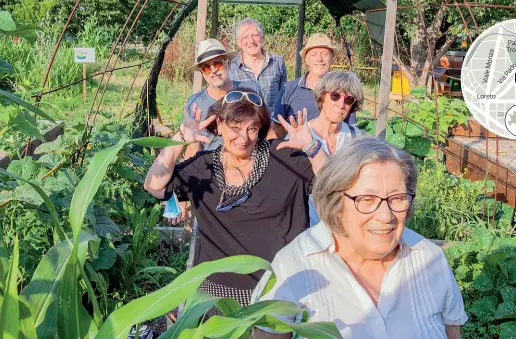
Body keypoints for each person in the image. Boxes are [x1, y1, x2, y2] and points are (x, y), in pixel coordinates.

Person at [251, 137, 468, 339]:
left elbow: (452, 332)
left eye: (397, 198)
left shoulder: (430, 260)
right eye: (366, 199)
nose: (386, 216)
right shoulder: (294, 264)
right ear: (335, 204)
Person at [144, 84, 328, 307]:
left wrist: (312, 148)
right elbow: (154, 186)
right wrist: (180, 138)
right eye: (235, 127)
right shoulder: (204, 167)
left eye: (252, 128)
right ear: (219, 125)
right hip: (217, 297)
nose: (244, 137)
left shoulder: (285, 156)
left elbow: (335, 183)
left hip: (280, 290)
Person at [271, 33, 358, 139]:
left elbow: (351, 130)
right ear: (306, 60)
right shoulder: (289, 88)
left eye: (325, 54)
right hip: (297, 152)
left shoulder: (345, 91)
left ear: (332, 58)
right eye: (314, 54)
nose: (319, 59)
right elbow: (277, 126)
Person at [306, 70, 364, 227]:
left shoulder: (356, 139)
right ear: (321, 98)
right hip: (307, 223)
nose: (341, 104)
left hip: (344, 223)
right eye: (335, 96)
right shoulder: (302, 135)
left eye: (348, 99)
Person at [185, 38, 259, 154]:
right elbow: (192, 148)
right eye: (206, 68)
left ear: (228, 63)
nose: (213, 70)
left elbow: (265, 131)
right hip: (213, 168)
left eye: (218, 64)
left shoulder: (251, 91)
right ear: (202, 73)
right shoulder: (195, 104)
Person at [229, 18, 287, 111]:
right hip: (243, 123)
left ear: (262, 38)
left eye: (255, 35)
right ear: (238, 42)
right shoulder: (231, 66)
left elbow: (284, 97)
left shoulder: (277, 62)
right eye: (245, 37)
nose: (251, 41)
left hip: (272, 123)